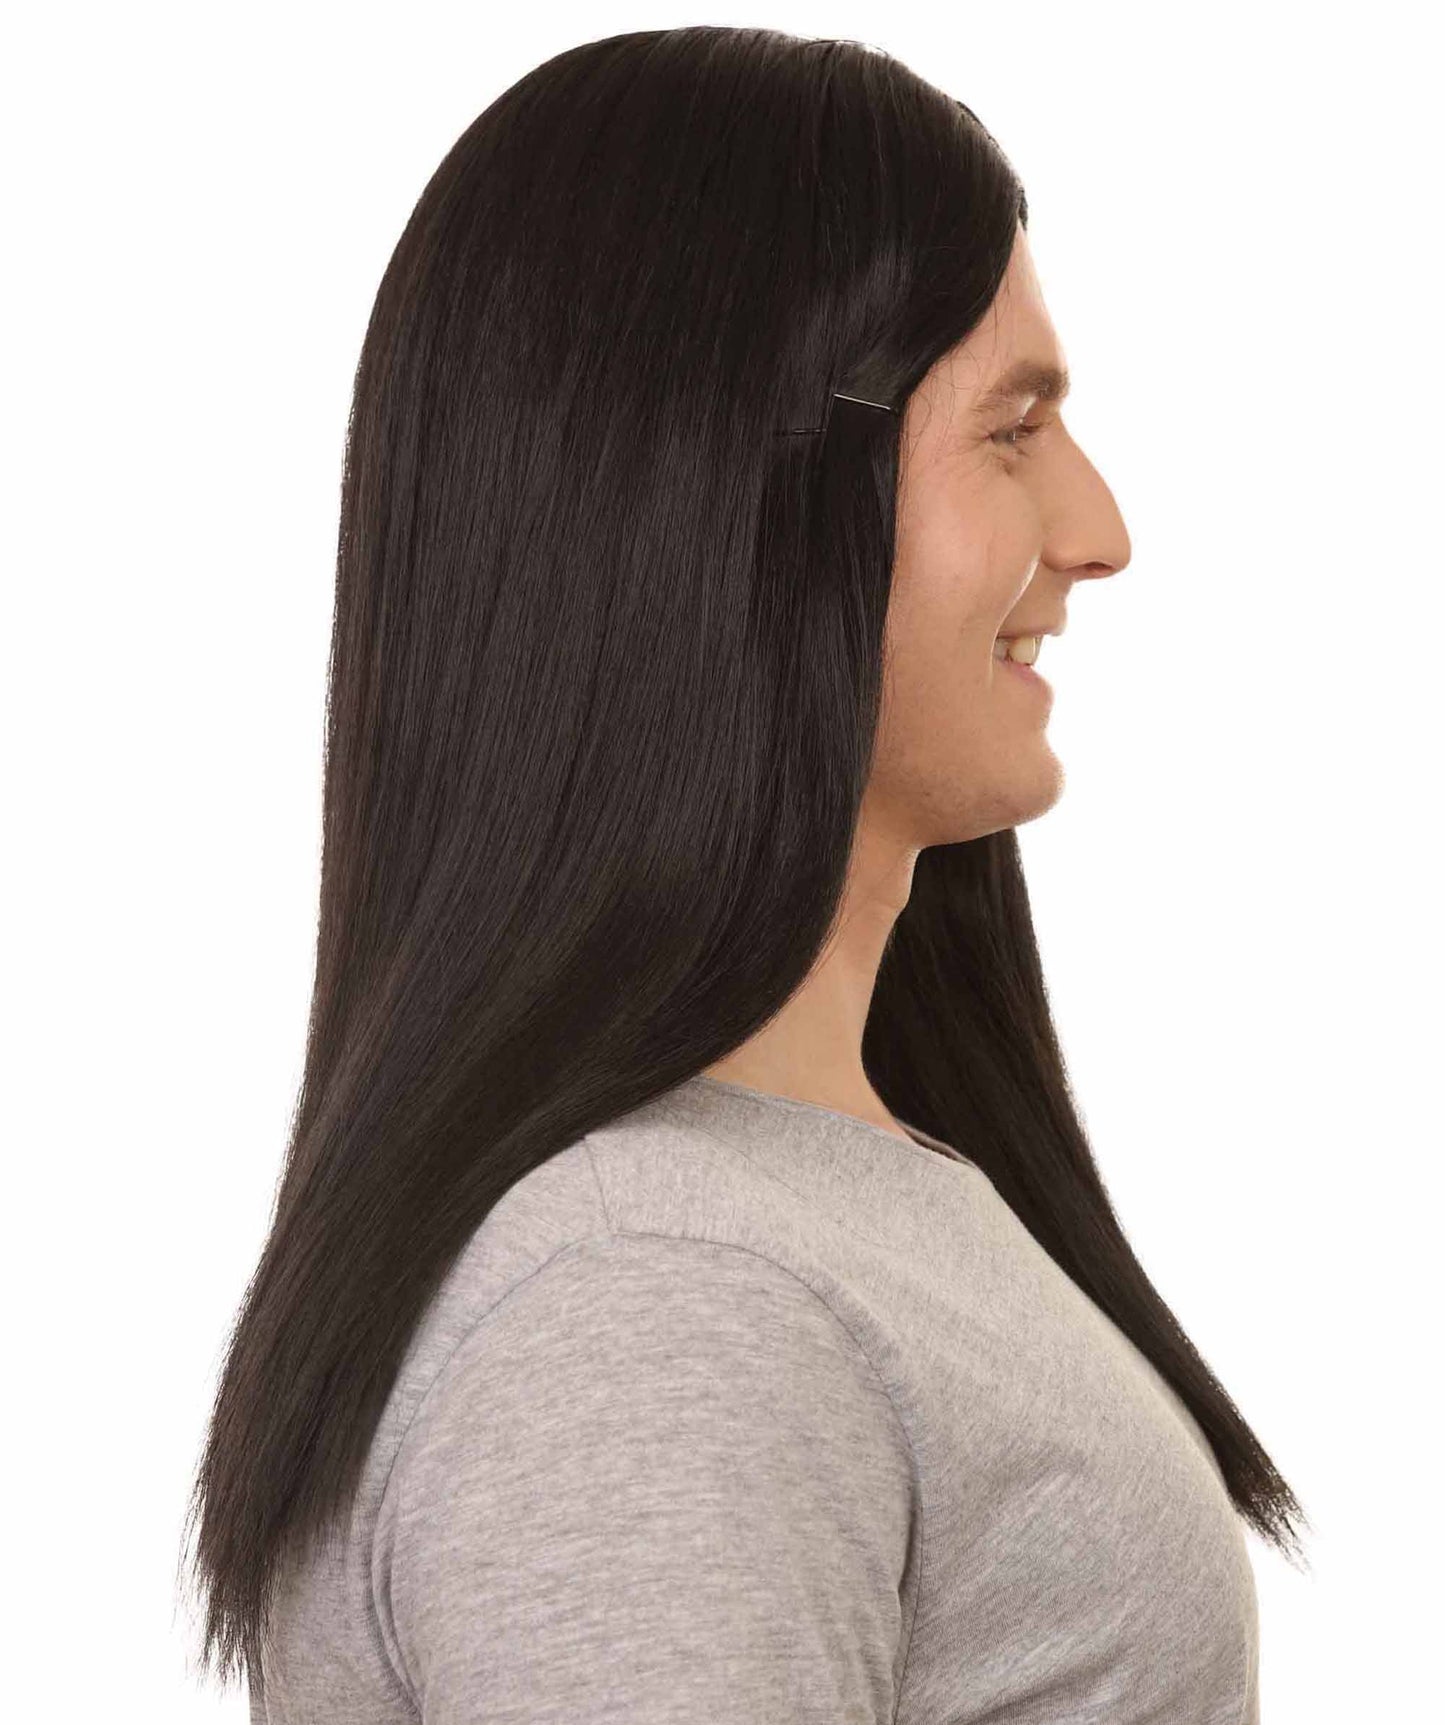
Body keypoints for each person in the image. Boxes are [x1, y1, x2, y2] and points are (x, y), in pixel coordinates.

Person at [181, 26, 1309, 1724]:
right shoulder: (655, 1302)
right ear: (736, 494)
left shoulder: (769, 1229)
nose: (1098, 531)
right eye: (1012, 430)